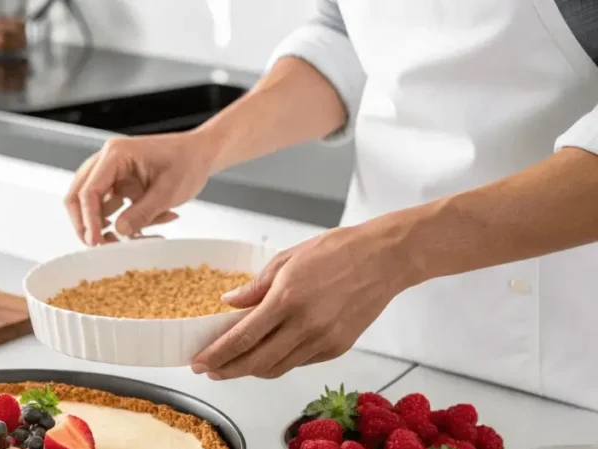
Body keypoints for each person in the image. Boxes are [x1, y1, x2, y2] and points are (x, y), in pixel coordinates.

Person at [63, 1, 598, 411]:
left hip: (570, 349)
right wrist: (203, 145)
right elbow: (342, 38)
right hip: (376, 325)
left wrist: (394, 253)